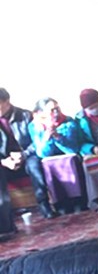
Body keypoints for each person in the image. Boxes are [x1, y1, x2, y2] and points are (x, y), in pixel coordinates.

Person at [0, 88, 55, 218]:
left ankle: (44, 205)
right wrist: (4, 162)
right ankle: (4, 215)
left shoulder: (26, 116)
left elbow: (37, 141)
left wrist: (23, 155)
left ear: (7, 101)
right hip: (5, 161)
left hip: (27, 156)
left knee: (34, 166)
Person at [29, 97, 87, 214]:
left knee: (71, 161)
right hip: (50, 160)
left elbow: (72, 149)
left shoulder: (68, 122)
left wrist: (58, 137)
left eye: (57, 109)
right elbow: (42, 153)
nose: (56, 113)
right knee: (46, 164)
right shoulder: (35, 126)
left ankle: (78, 201)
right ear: (41, 113)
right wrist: (47, 138)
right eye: (51, 110)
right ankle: (60, 203)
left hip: (68, 158)